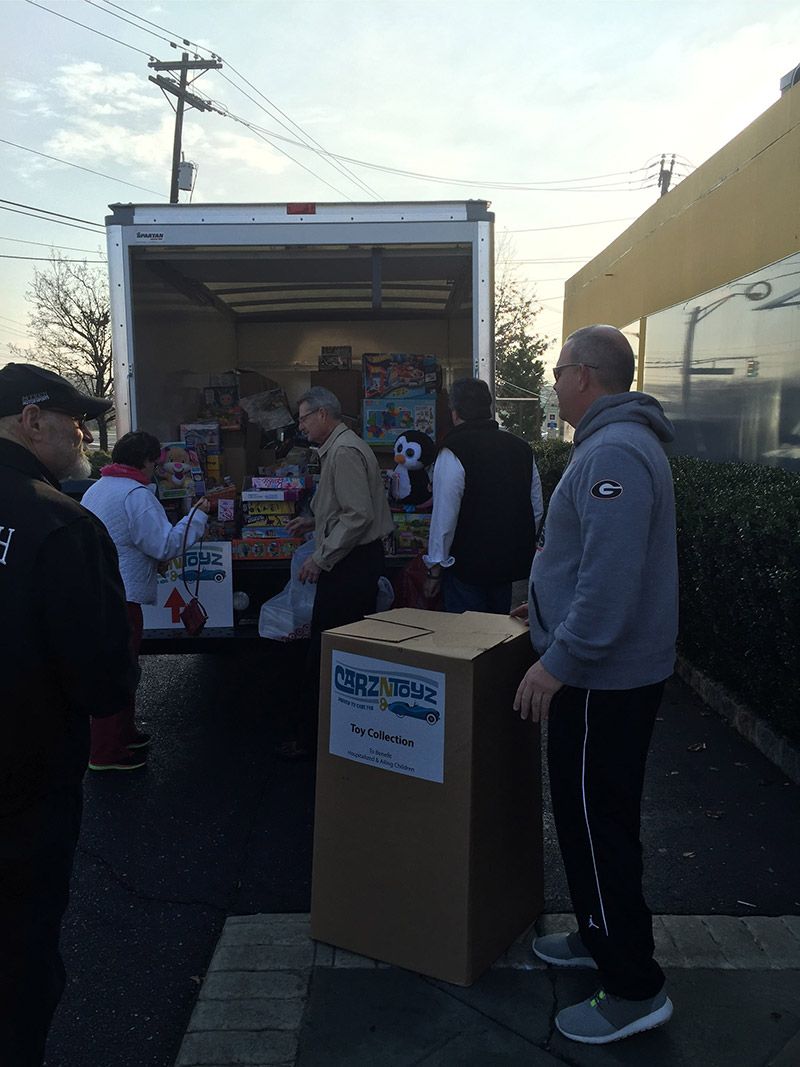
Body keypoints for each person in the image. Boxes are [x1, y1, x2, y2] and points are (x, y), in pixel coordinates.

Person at [513, 325, 678, 1045]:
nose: (551, 381)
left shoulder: (613, 451)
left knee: (596, 821)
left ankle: (634, 987)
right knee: (586, 818)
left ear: (583, 375)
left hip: (602, 683)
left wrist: (559, 659)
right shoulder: (612, 446)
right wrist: (543, 608)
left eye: (556, 370)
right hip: (602, 676)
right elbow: (588, 562)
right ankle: (596, 932)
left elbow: (610, 583)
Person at [0, 363, 136, 1066]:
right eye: (73, 418)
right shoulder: (60, 524)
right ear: (30, 420)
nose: (85, 432)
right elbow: (103, 683)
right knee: (20, 972)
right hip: (22, 799)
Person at [81, 431, 210, 771]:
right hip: (122, 594)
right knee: (120, 670)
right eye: (156, 462)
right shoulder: (136, 495)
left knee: (117, 667)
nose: (157, 469)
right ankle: (107, 751)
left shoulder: (98, 488)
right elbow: (165, 545)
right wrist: (198, 514)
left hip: (99, 590)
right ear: (147, 461)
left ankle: (124, 734)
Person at [278, 386, 394, 760]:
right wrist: (313, 523)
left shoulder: (343, 451)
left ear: (324, 415)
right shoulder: (340, 448)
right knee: (334, 649)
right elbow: (346, 509)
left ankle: (318, 740)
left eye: (304, 418)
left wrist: (321, 557)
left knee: (328, 651)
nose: (302, 426)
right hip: (354, 560)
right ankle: (332, 735)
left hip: (350, 564)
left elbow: (357, 516)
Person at [423, 377, 543, 613]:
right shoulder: (520, 448)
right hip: (508, 567)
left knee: (466, 642)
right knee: (499, 637)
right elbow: (536, 508)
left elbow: (444, 517)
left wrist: (434, 570)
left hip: (466, 568)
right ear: (488, 407)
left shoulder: (453, 450)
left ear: (455, 412)